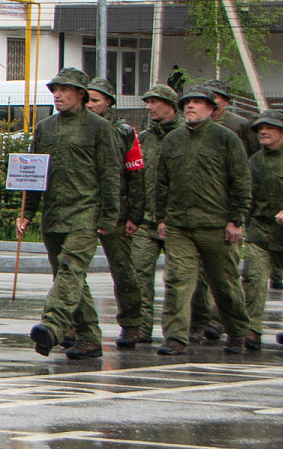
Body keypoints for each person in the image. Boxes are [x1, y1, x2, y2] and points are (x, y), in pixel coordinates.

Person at [17, 68, 118, 359]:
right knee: (68, 277)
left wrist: (109, 217)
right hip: (53, 215)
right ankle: (89, 337)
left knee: (71, 270)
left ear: (81, 94)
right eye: (55, 90)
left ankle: (52, 325)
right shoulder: (45, 127)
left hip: (85, 214)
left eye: (64, 90)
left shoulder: (99, 128)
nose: (58, 95)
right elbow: (33, 175)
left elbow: (111, 175)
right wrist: (27, 213)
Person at [152, 85, 255, 356]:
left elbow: (241, 181)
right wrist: (161, 218)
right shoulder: (173, 140)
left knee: (225, 284)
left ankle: (236, 332)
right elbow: (162, 182)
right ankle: (175, 337)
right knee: (177, 281)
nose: (191, 107)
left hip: (217, 226)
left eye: (198, 103)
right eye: (187, 103)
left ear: (212, 109)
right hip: (179, 226)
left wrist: (236, 219)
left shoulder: (226, 138)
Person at [86, 75, 149, 350]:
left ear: (109, 103)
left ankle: (132, 324)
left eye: (95, 100)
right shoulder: (78, 127)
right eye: (86, 98)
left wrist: (135, 215)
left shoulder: (124, 132)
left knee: (123, 271)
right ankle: (75, 326)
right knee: (72, 270)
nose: (89, 105)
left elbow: (136, 175)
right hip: (84, 209)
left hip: (118, 212)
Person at [245, 112, 283, 349]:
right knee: (253, 279)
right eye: (260, 128)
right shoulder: (254, 161)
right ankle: (251, 331)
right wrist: (240, 223)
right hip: (261, 231)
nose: (263, 132)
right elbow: (247, 197)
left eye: (269, 128)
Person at [124, 83, 180, 348]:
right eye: (148, 102)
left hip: (177, 221)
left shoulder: (184, 136)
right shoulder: (142, 139)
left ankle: (187, 329)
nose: (149, 107)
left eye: (155, 102)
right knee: (138, 274)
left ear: (170, 105)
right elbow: (133, 178)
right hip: (146, 220)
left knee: (179, 278)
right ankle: (140, 328)